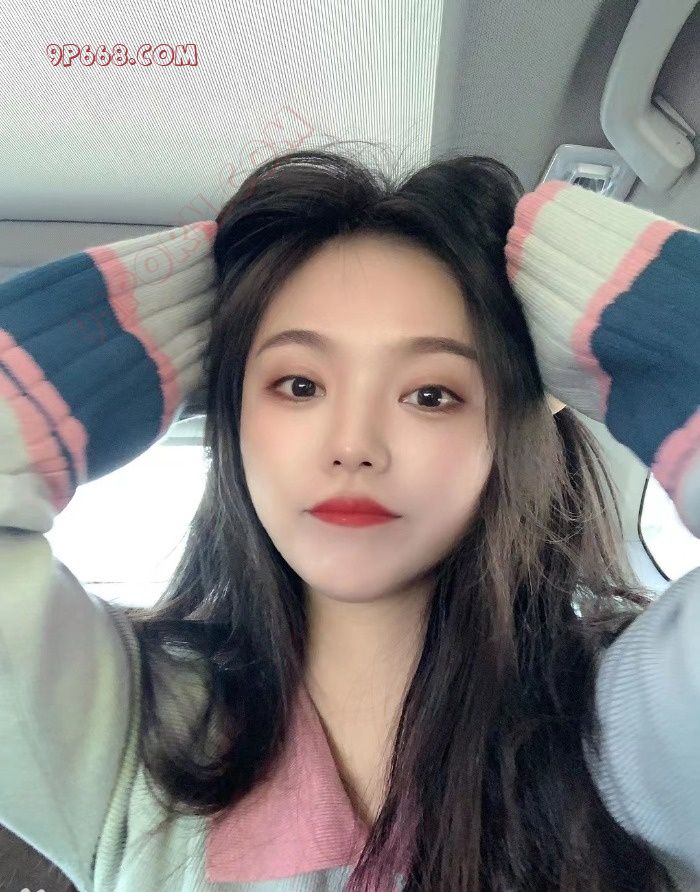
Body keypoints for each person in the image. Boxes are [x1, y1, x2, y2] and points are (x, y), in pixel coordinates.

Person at [0, 148, 698, 891]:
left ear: (511, 431)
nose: (353, 446)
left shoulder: (632, 732)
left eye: (430, 395)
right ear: (232, 415)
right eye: (299, 385)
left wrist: (636, 303)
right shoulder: (132, 735)